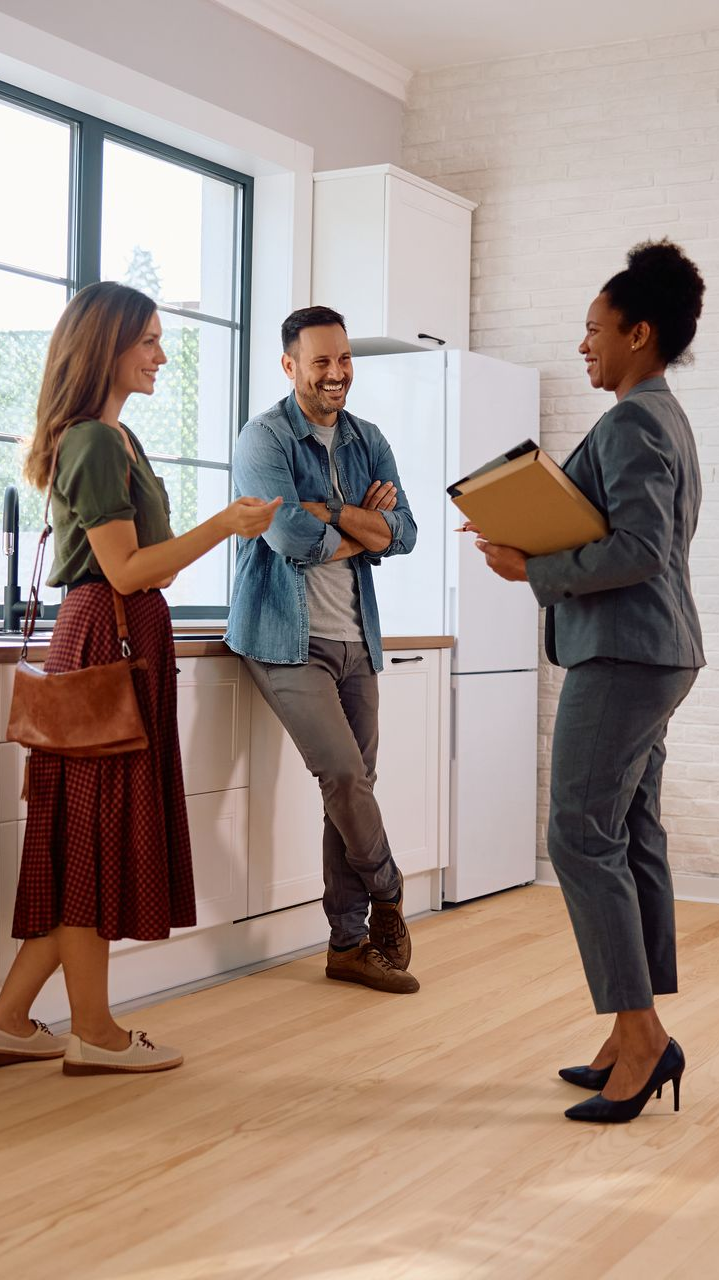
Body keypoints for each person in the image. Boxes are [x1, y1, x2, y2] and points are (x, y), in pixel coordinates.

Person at [0, 282, 280, 1075]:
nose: (163, 354)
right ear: (108, 348)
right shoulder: (93, 441)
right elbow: (123, 571)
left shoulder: (116, 440)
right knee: (91, 842)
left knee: (82, 843)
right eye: (149, 341)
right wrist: (222, 524)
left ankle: (12, 1019)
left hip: (118, 641)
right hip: (105, 641)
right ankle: (94, 1031)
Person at [465, 240, 705, 1122]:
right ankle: (629, 1034)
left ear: (639, 333)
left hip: (627, 653)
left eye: (593, 330)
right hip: (652, 650)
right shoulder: (663, 416)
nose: (582, 346)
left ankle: (640, 1038)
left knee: (576, 835)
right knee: (627, 829)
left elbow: (639, 550)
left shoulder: (635, 421)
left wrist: (530, 567)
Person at [225, 305, 420, 994]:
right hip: (284, 637)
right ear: (289, 366)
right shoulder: (264, 438)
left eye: (343, 359)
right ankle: (390, 887)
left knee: (350, 790)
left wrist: (334, 511)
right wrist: (362, 528)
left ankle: (348, 944)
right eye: (320, 362)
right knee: (341, 774)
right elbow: (287, 540)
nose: (336, 373)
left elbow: (406, 533)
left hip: (356, 637)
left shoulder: (367, 438)